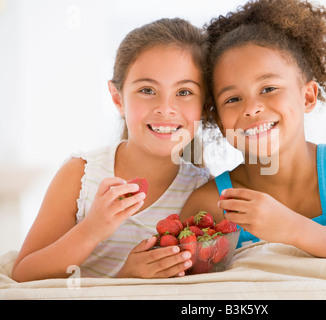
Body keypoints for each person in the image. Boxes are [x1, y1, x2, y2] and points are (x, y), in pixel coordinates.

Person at [180, 0, 326, 258]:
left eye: (268, 89)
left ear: (307, 96)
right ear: (219, 121)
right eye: (233, 99)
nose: (251, 108)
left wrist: (294, 228)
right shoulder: (210, 204)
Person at [12, 18, 210, 281]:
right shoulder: (81, 175)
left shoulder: (202, 192)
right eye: (147, 90)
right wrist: (92, 229)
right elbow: (24, 275)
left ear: (205, 105)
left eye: (184, 92)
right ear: (118, 98)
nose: (165, 108)